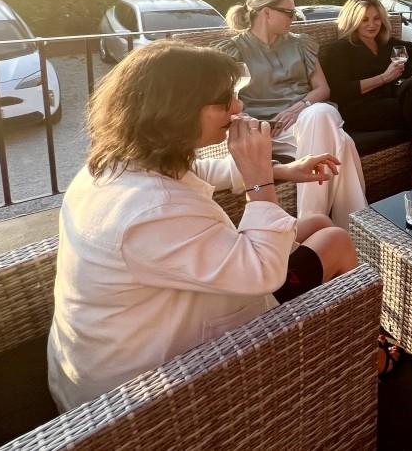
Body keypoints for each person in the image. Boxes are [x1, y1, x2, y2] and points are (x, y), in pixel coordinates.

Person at [47, 41, 359, 412]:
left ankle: (324, 335)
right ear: (177, 109)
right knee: (336, 239)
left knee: (317, 222)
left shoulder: (120, 163)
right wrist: (260, 181)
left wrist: (281, 170)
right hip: (146, 383)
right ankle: (355, 353)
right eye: (224, 99)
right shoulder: (149, 211)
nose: (238, 108)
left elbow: (198, 172)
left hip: (153, 315)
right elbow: (262, 272)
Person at [216, 0, 368, 228]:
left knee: (320, 112)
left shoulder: (300, 43)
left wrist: (298, 107)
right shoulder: (233, 51)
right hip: (265, 131)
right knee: (342, 143)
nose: (294, 18)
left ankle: (310, 222)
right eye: (288, 12)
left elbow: (323, 89)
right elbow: (225, 101)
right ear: (265, 12)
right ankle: (354, 226)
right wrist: (256, 125)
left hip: (305, 120)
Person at [319, 0, 412, 188]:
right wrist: (384, 78)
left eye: (376, 18)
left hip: (392, 101)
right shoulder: (338, 49)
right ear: (352, 20)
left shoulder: (387, 43)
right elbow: (339, 91)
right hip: (360, 109)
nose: (372, 25)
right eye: (364, 19)